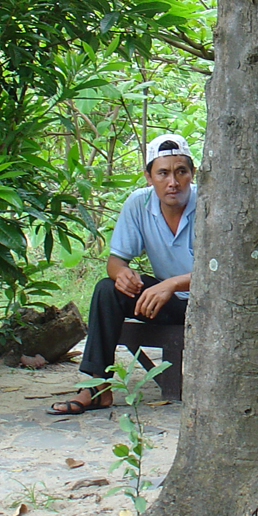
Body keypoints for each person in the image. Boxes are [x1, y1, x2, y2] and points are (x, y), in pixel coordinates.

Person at [49, 133, 197, 415]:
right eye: (163, 173)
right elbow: (116, 261)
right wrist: (123, 274)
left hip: (210, 301)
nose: (173, 182)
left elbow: (224, 271)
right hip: (168, 303)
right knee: (108, 289)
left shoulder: (209, 203)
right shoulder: (138, 204)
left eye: (181, 172)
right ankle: (97, 387)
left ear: (192, 174)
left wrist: (172, 283)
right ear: (148, 177)